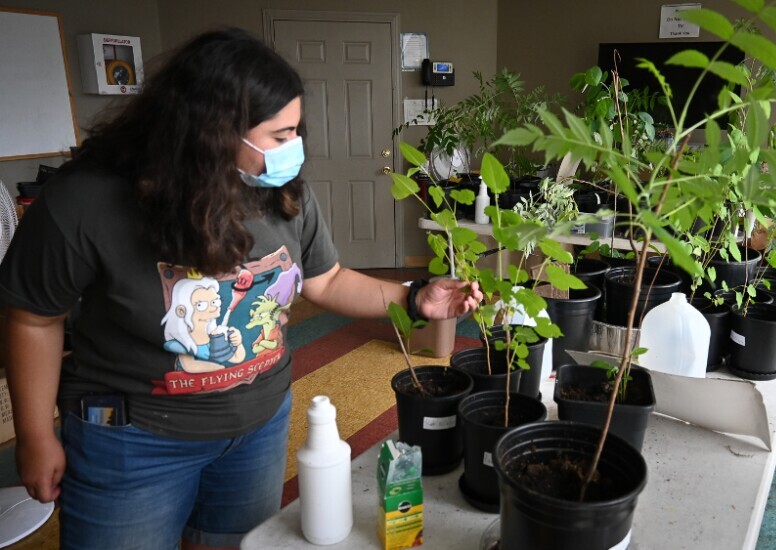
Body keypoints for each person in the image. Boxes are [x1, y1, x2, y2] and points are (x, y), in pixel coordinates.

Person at [0, 28, 481, 550]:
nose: (294, 149)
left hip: (258, 430)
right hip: (132, 443)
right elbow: (33, 318)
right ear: (211, 132)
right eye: (279, 136)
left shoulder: (280, 192)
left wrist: (414, 298)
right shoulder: (85, 201)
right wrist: (34, 434)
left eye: (297, 131)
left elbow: (328, 280)